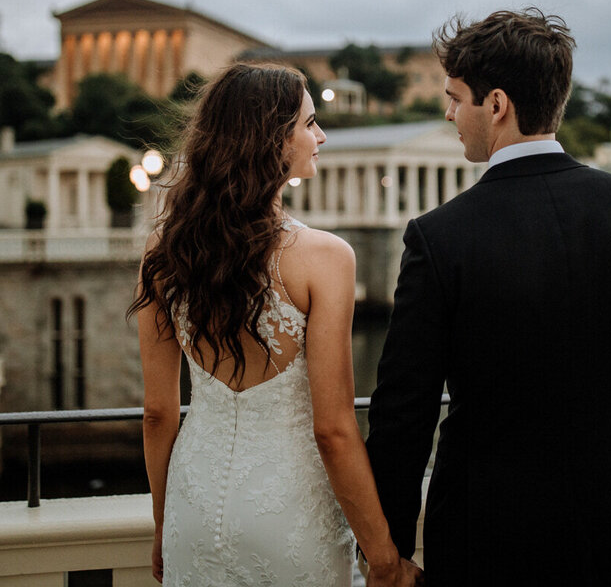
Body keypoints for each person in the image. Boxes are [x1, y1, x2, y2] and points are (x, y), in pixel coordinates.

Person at [365, 8, 611, 585]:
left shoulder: (439, 238)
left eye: (454, 98)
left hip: (485, 537)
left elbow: (404, 412)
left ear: (496, 106)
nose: (448, 114)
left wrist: (388, 548)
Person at [132, 63, 423, 587]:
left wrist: (163, 522)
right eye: (309, 123)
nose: (321, 135)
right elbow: (334, 430)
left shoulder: (163, 250)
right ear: (270, 138)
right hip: (291, 511)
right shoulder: (325, 258)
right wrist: (383, 559)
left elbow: (157, 413)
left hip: (193, 507)